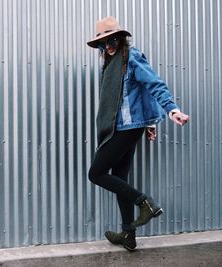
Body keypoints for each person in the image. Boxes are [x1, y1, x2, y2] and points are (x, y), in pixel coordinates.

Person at [86, 16, 190, 251]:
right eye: (103, 43)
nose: (108, 46)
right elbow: (134, 94)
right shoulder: (111, 64)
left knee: (96, 173)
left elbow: (153, 84)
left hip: (127, 128)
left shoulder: (131, 57)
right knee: (119, 179)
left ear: (121, 38)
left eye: (113, 40)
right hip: (122, 127)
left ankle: (145, 203)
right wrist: (150, 122)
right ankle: (128, 235)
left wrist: (172, 109)